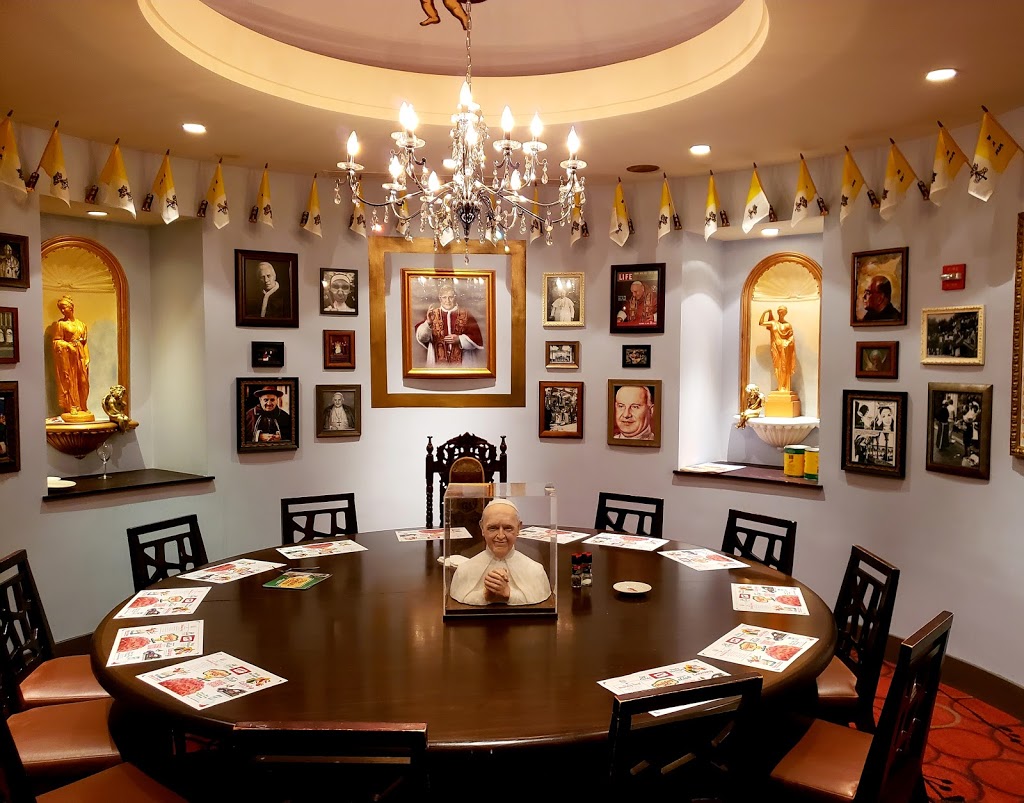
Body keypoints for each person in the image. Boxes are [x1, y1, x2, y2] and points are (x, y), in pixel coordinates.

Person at [449, 499, 551, 606]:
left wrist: (509, 594)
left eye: (508, 528)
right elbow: (460, 595)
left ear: (518, 528)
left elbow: (538, 596)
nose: (501, 536)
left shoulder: (536, 571)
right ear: (482, 528)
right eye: (493, 528)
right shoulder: (464, 571)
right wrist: (485, 595)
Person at [414, 282, 484, 368]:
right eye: (444, 297)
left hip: (463, 362)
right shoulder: (432, 314)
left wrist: (460, 339)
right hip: (437, 363)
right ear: (440, 299)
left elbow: (476, 338)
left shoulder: (466, 314)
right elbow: (423, 338)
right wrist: (428, 323)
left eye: (451, 297)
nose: (447, 300)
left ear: (455, 298)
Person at [52, 294, 93, 420]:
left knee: (83, 381)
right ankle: (72, 406)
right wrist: (68, 346)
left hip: (80, 355)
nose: (62, 310)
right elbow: (56, 341)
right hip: (68, 357)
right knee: (70, 380)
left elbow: (84, 343)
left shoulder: (82, 324)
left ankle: (83, 405)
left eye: (64, 307)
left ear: (71, 307)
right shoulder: (61, 324)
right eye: (61, 308)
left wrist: (87, 357)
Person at [760, 305, 796, 393]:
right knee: (776, 366)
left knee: (784, 366)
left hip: (784, 348)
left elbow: (791, 337)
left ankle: (784, 386)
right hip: (775, 347)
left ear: (785, 313)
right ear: (777, 312)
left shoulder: (788, 325)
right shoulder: (773, 323)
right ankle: (780, 386)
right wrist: (766, 312)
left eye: (783, 312)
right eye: (780, 312)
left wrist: (786, 343)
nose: (781, 313)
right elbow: (761, 323)